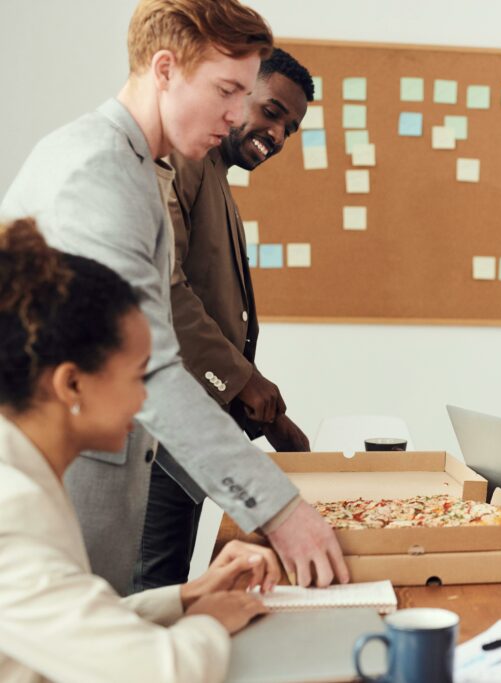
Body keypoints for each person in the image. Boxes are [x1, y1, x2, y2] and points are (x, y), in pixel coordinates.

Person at [0, 0, 346, 596]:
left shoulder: (141, 165)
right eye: (228, 91)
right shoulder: (98, 173)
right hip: (63, 491)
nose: (238, 114)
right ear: (165, 69)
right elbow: (152, 364)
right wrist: (280, 511)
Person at [0, 218, 279, 683]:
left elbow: (78, 626)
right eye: (137, 377)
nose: (147, 400)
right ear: (72, 383)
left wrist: (187, 598)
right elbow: (160, 672)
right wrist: (209, 621)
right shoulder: (15, 507)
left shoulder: (24, 473)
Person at [140, 47, 314, 589]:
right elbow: (164, 287)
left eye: (291, 126)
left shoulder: (216, 173)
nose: (279, 135)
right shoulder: (185, 162)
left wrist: (261, 412)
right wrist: (242, 379)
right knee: (152, 588)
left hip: (193, 428)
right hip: (156, 437)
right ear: (237, 95)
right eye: (271, 112)